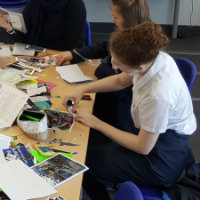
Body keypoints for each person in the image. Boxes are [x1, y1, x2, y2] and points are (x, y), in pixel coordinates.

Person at [63, 22, 197, 200]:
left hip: (161, 159)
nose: (113, 64)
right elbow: (120, 80)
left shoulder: (158, 94)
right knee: (89, 143)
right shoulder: (153, 58)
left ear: (139, 67)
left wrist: (98, 123)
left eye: (118, 64)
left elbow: (143, 147)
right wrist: (82, 89)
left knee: (84, 162)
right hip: (155, 137)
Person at [57, 0, 151, 145]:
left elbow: (125, 89)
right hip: (112, 99)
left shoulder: (140, 51)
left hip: (122, 114)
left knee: (84, 138)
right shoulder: (128, 35)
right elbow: (106, 50)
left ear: (129, 18)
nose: (112, 20)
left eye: (116, 17)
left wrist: (102, 69)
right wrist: (73, 54)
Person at [0, 0, 86, 50]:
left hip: (63, 57)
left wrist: (38, 49)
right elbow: (22, 38)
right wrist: (9, 28)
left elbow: (70, 44)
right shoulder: (35, 3)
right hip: (35, 54)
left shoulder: (76, 5)